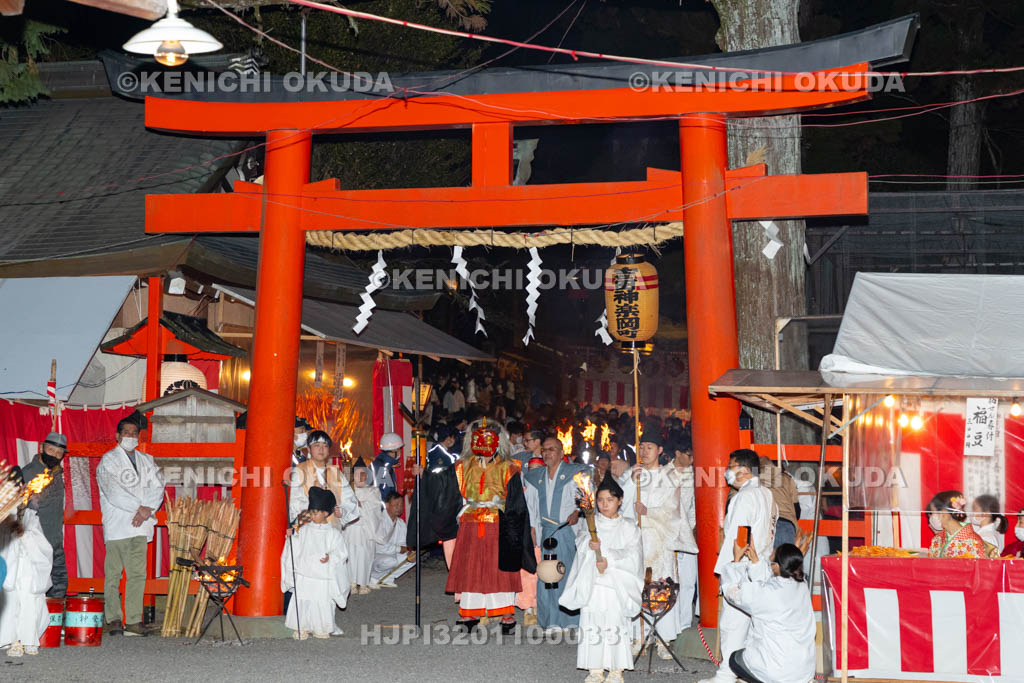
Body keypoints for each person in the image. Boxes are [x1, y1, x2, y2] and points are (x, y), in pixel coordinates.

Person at [411, 418, 535, 634]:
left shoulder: (509, 468)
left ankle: (506, 614)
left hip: (499, 524)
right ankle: (470, 614)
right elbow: (444, 488)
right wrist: (425, 475)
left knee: (500, 570)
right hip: (469, 524)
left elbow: (516, 503)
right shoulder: (462, 466)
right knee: (471, 569)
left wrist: (517, 531)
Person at [700, 449, 777, 683]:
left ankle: (727, 674)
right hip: (759, 565)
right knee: (752, 624)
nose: (727, 471)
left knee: (733, 622)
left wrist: (728, 568)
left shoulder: (744, 497)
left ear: (743, 470)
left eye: (730, 466)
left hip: (742, 566)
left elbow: (738, 535)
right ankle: (746, 672)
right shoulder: (767, 494)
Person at [620, 423, 697, 659]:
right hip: (637, 540)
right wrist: (633, 482)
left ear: (660, 450)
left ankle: (664, 639)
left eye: (649, 447)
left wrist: (648, 513)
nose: (644, 451)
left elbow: (674, 511)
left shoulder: (669, 476)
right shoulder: (632, 474)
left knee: (662, 587)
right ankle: (639, 635)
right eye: (641, 447)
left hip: (660, 541)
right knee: (638, 587)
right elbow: (622, 508)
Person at [559, 471, 643, 683]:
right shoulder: (591, 524)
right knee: (593, 622)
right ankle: (595, 668)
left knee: (614, 623)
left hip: (616, 584)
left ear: (620, 500)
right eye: (601, 501)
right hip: (594, 582)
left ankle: (616, 668)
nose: (605, 505)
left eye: (610, 500)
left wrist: (610, 559)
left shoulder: (629, 526)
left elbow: (633, 554)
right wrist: (589, 547)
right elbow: (580, 544)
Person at [97, 417, 166, 637]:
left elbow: (158, 486)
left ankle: (134, 620)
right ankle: (114, 618)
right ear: (118, 436)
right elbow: (113, 493)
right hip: (118, 524)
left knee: (137, 574)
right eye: (126, 432)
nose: (130, 436)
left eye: (134, 433)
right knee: (113, 574)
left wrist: (147, 509)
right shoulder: (108, 461)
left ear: (138, 437)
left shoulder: (147, 460)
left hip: (140, 526)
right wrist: (140, 508)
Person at [719, 539, 816, 683]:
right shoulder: (802, 585)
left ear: (777, 566)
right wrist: (756, 561)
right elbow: (768, 586)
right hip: (803, 671)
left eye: (771, 560)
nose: (769, 559)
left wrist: (735, 561)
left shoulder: (766, 593)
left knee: (735, 658)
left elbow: (733, 593)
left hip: (775, 671)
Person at [524, 437, 588, 634]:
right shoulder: (535, 477)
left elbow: (586, 498)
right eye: (544, 449)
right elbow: (532, 507)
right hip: (547, 533)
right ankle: (551, 620)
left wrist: (578, 512)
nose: (547, 453)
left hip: (566, 531)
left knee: (568, 574)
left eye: (552, 449)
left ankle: (571, 621)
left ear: (562, 453)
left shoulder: (575, 473)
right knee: (547, 575)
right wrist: (533, 528)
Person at [281, 487, 350, 640]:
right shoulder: (304, 530)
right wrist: (291, 537)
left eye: (315, 513)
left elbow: (341, 552)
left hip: (323, 576)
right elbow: (297, 547)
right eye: (311, 512)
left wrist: (330, 557)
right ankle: (301, 627)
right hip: (305, 574)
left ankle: (321, 628)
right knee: (303, 600)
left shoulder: (333, 533)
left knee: (321, 602)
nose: (312, 516)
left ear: (325, 513)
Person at [0, 502, 52, 657]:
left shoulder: (30, 516)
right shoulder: (4, 514)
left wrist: (25, 535)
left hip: (28, 567)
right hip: (10, 565)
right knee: (11, 603)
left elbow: (41, 543)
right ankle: (13, 639)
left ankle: (29, 639)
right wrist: (9, 533)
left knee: (30, 602)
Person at [21, 432, 67, 598]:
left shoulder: (56, 472)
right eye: (51, 450)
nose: (54, 455)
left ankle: (55, 623)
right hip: (35, 542)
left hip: (55, 540)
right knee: (37, 587)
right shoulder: (28, 473)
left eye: (59, 453)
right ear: (42, 448)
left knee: (59, 585)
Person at [289, 431, 358, 530]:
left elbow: (350, 501)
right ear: (309, 449)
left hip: (332, 530)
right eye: (317, 445)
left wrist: (342, 511)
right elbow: (293, 503)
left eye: (325, 446)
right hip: (308, 529)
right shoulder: (299, 471)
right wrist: (315, 504)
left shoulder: (336, 473)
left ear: (329, 450)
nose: (321, 449)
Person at [669, 434, 698, 639]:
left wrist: (694, 529)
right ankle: (668, 626)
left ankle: (685, 625)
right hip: (667, 535)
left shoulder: (696, 476)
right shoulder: (662, 474)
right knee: (669, 582)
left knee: (688, 582)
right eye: (689, 455)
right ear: (677, 453)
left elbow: (695, 507)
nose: (692, 459)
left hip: (688, 535)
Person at [345, 464, 383, 594]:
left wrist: (360, 506)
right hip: (351, 529)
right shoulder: (347, 491)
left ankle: (363, 583)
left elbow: (374, 510)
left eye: (363, 474)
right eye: (357, 474)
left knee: (364, 556)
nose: (360, 477)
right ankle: (352, 582)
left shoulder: (373, 491)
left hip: (366, 529)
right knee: (351, 554)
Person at [370, 492, 416, 588]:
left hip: (391, 554)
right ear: (387, 505)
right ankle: (373, 578)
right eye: (396, 505)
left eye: (401, 505)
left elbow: (404, 542)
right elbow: (378, 547)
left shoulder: (400, 523)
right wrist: (399, 549)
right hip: (376, 555)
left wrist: (409, 551)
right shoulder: (378, 520)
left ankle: (387, 578)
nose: (399, 508)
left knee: (413, 558)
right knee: (391, 561)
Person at [927, 490, 987, 558]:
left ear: (945, 513)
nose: (932, 517)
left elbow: (978, 567)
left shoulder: (973, 542)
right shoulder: (938, 539)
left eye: (934, 512)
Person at [758, 455, 801, 548]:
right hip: (786, 524)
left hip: (763, 525)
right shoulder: (786, 479)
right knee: (785, 560)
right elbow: (797, 511)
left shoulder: (753, 481)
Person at [373, 432, 403, 501]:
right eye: (399, 449)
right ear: (394, 450)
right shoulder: (384, 468)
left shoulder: (382, 464)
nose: (400, 451)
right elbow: (383, 496)